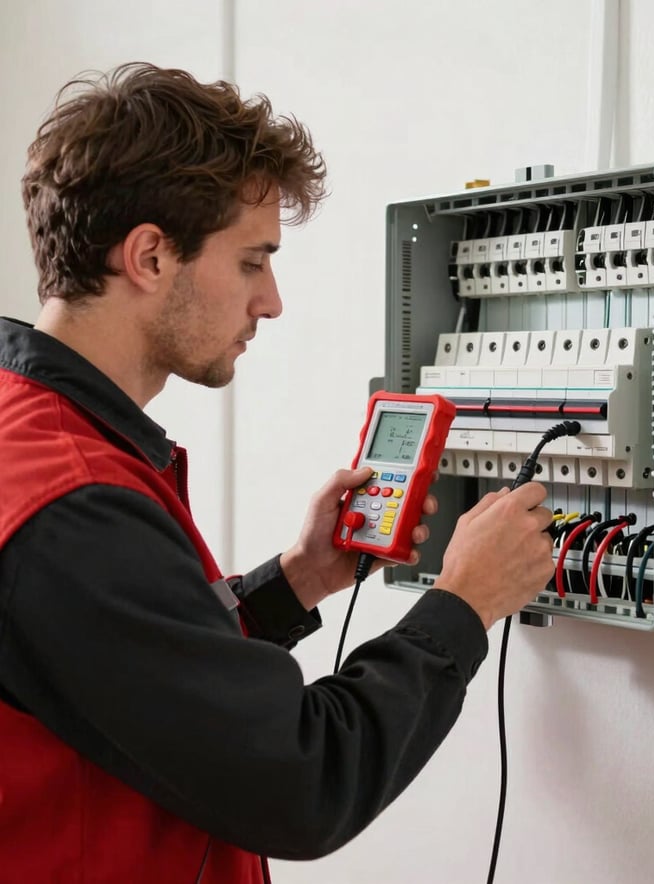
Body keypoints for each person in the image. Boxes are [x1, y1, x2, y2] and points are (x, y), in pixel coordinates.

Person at [0, 63, 555, 883]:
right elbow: (302, 780)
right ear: (151, 256)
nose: (273, 301)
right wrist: (462, 608)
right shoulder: (75, 503)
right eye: (254, 261)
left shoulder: (36, 437)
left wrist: (291, 583)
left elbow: (129, 681)